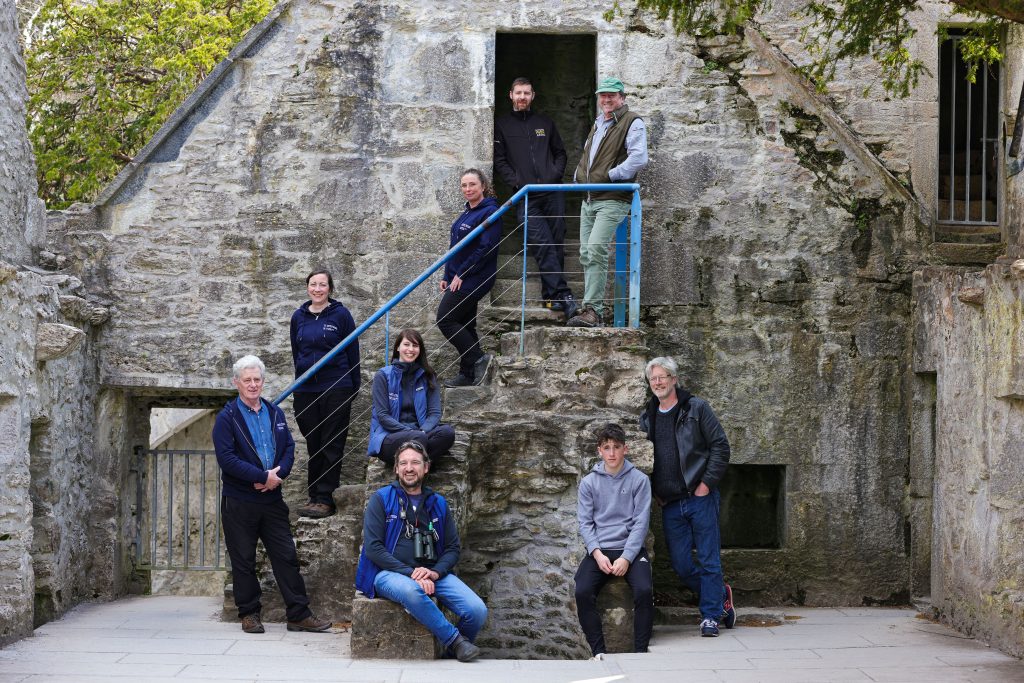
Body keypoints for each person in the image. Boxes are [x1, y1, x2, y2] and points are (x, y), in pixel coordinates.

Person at [212, 354, 332, 635]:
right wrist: (260, 476)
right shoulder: (227, 417)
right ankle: (249, 614)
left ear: (263, 382)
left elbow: (289, 448)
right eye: (247, 380)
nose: (253, 385)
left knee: (286, 556)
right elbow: (226, 459)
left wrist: (276, 477)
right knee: (243, 559)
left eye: (257, 380)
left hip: (272, 499)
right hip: (239, 501)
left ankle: (298, 614)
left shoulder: (275, 413)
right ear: (236, 383)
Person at [355, 441, 487, 662]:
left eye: (415, 462)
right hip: (388, 574)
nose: (409, 468)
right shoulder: (381, 499)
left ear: (426, 467)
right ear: (396, 468)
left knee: (477, 610)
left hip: (432, 573)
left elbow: (452, 548)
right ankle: (456, 642)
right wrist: (411, 573)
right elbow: (373, 548)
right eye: (403, 463)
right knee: (411, 591)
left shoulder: (439, 503)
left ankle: (451, 651)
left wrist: (434, 573)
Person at [639, 356, 735, 637]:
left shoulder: (696, 408)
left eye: (663, 377)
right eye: (653, 378)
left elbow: (720, 446)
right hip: (670, 503)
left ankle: (710, 617)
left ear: (674, 380)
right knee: (681, 565)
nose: (658, 382)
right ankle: (720, 593)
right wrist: (655, 491)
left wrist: (706, 484)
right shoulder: (649, 415)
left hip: (700, 497)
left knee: (708, 559)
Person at [493, 76, 578, 321]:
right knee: (542, 244)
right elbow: (499, 161)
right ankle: (564, 295)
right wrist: (518, 182)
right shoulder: (502, 125)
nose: (522, 97)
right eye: (518, 93)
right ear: (510, 95)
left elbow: (560, 153)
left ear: (533, 96)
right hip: (526, 195)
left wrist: (553, 176)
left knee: (556, 241)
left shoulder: (544, 123)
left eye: (526, 93)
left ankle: (551, 297)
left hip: (553, 192)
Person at [568, 77, 649, 328]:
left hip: (612, 197)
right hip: (590, 198)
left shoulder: (632, 122)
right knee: (586, 253)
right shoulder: (598, 122)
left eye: (612, 95)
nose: (606, 99)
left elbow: (639, 159)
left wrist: (611, 176)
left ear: (622, 98)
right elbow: (588, 157)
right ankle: (589, 309)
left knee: (595, 249)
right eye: (602, 95)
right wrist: (578, 177)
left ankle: (594, 310)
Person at [574, 423, 653, 659]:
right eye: (606, 447)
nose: (612, 453)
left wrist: (627, 558)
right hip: (600, 550)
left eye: (616, 447)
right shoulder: (589, 483)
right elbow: (586, 523)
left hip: (630, 549)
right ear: (599, 450)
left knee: (644, 590)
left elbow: (641, 523)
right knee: (582, 591)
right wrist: (597, 554)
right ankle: (598, 652)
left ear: (625, 449)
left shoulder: (639, 480)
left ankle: (640, 651)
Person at [289, 269, 361, 519]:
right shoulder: (298, 317)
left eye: (322, 285)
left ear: (330, 288)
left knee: (332, 443)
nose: (317, 289)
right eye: (313, 284)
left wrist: (353, 385)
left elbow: (353, 352)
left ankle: (325, 498)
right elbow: (296, 352)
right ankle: (313, 496)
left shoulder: (341, 315)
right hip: (307, 389)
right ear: (307, 287)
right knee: (314, 442)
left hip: (336, 386)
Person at [437, 169, 501, 388]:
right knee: (465, 324)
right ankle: (468, 374)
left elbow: (485, 248)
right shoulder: (466, 213)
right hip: (458, 277)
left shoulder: (490, 212)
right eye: (464, 185)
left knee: (445, 320)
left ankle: (479, 359)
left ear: (483, 186)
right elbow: (455, 248)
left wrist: (461, 274)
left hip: (475, 277)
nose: (468, 189)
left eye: (472, 185)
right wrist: (447, 274)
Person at [368, 328, 456, 467]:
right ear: (398, 347)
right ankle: (422, 463)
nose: (411, 349)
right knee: (418, 438)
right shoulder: (383, 376)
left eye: (415, 345)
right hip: (389, 437)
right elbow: (383, 416)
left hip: (420, 432)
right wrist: (411, 432)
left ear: (420, 350)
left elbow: (434, 413)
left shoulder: (428, 376)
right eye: (407, 344)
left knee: (447, 433)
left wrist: (422, 430)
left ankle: (414, 465)